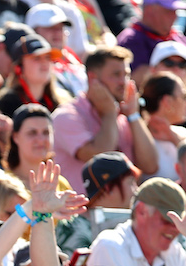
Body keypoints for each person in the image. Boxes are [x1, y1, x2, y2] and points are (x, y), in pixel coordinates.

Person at [52, 45, 158, 191]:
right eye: (116, 75)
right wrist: (109, 113)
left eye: (126, 74)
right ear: (92, 79)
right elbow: (102, 162)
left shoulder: (125, 116)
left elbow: (150, 166)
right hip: (80, 212)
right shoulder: (66, 116)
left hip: (123, 212)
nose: (123, 82)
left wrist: (133, 115)